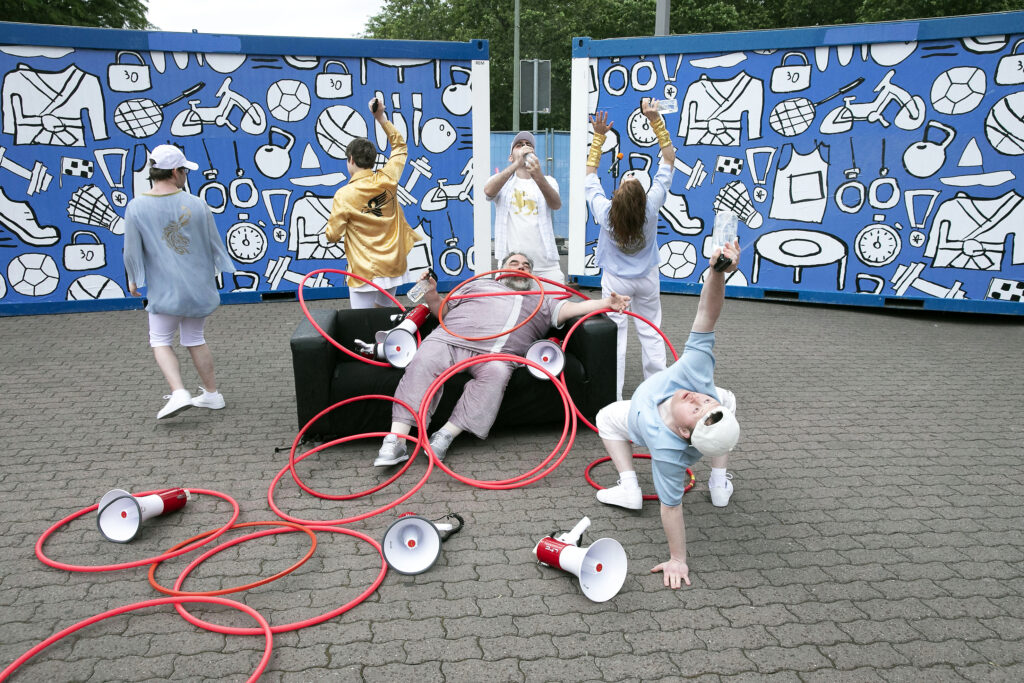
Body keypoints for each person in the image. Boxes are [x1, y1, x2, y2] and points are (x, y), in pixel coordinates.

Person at [375, 252, 630, 466]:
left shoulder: (543, 301)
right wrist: (431, 293)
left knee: (497, 374)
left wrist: (608, 302)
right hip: (449, 341)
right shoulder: (478, 285)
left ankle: (444, 436)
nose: (521, 267)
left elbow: (575, 309)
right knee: (424, 360)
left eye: (526, 266)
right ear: (500, 271)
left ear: (532, 276)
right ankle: (396, 441)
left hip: (496, 355)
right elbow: (441, 311)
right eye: (514, 264)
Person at [593, 240, 742, 589]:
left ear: (685, 433)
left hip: (642, 422)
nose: (698, 398)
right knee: (726, 402)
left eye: (696, 409)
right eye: (704, 402)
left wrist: (678, 560)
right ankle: (719, 483)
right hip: (675, 425)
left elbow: (671, 507)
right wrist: (717, 272)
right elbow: (707, 314)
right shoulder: (697, 376)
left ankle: (629, 486)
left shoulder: (667, 454)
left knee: (604, 418)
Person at [123, 144, 235, 420]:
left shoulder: (136, 207)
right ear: (174, 172)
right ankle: (211, 394)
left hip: (165, 290)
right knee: (195, 339)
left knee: (160, 339)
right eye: (184, 170)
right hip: (197, 287)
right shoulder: (197, 203)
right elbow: (213, 243)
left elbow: (131, 249)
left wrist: (134, 279)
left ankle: (179, 392)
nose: (185, 174)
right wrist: (221, 269)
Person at [586, 99, 675, 400]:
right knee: (651, 333)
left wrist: (599, 137)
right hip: (647, 278)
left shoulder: (604, 212)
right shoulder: (652, 206)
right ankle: (657, 395)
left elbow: (589, 175)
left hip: (616, 282)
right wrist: (655, 121)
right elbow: (668, 160)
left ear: (617, 197)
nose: (631, 175)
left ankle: (614, 398)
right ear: (642, 197)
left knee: (616, 338)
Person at [325, 96, 422, 309]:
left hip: (364, 271)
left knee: (360, 326)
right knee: (385, 322)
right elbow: (400, 146)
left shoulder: (344, 194)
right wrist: (381, 118)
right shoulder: (388, 179)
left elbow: (332, 236)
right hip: (393, 265)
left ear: (350, 159)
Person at [484, 132, 564, 283]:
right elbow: (488, 191)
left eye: (529, 145)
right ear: (510, 157)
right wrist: (516, 164)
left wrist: (538, 175)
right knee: (509, 306)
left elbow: (556, 204)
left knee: (556, 305)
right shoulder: (503, 181)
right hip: (511, 265)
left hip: (546, 265)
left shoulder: (548, 180)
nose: (524, 147)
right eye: (519, 145)